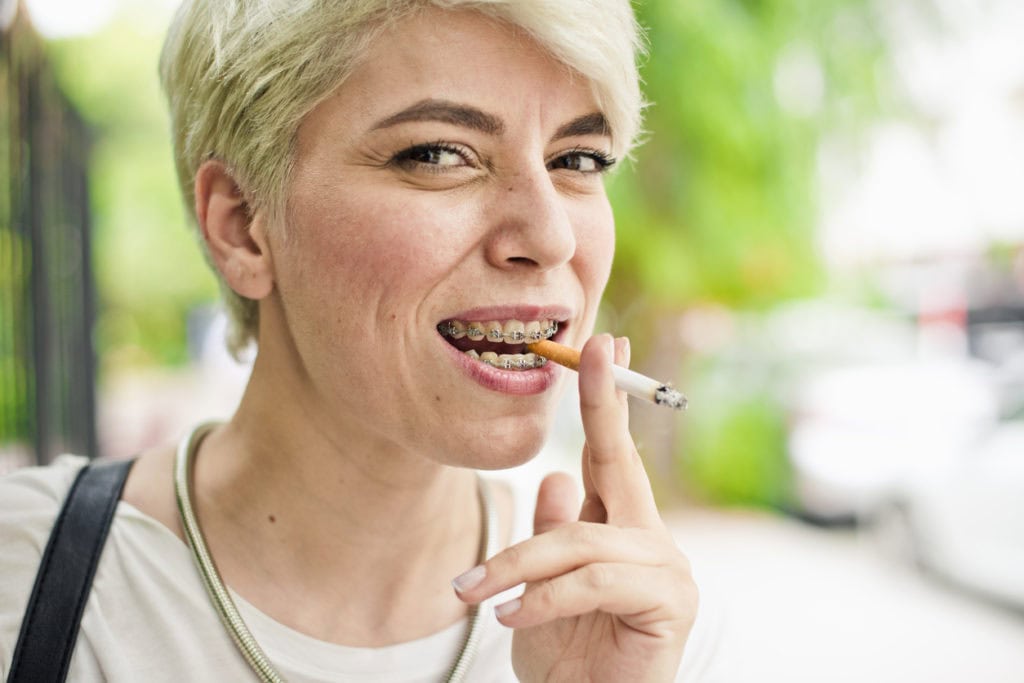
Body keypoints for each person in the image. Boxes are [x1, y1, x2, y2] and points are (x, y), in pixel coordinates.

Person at [1, 1, 715, 680]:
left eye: (579, 160)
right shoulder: (22, 579)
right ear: (243, 225)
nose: (551, 235)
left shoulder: (641, 630)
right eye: (440, 153)